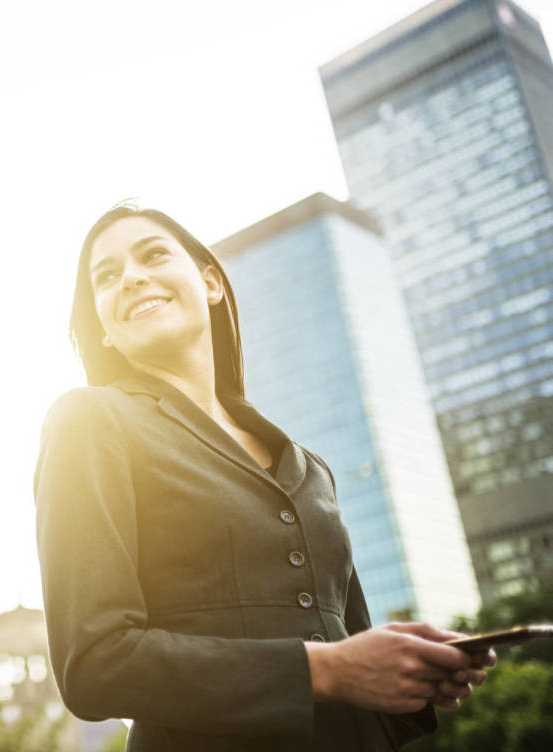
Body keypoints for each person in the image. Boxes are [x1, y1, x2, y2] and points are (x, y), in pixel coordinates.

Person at [33, 202, 498, 751]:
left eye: (153, 254)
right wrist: (326, 670)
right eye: (106, 277)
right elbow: (95, 664)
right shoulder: (88, 421)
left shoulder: (310, 467)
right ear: (104, 330)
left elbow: (347, 641)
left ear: (210, 283)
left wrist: (410, 669)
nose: (132, 277)